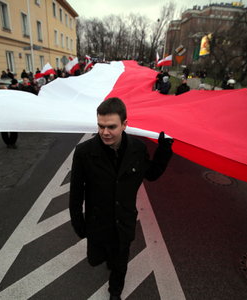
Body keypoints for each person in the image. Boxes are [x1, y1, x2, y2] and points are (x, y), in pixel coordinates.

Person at [69, 97, 173, 300]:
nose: (104, 132)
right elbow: (76, 193)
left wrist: (164, 150)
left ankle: (115, 292)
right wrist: (79, 224)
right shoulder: (84, 152)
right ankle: (108, 258)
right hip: (98, 223)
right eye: (100, 126)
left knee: (120, 260)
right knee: (101, 256)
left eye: (111, 127)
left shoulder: (137, 149)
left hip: (124, 221)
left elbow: (151, 174)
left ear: (125, 124)